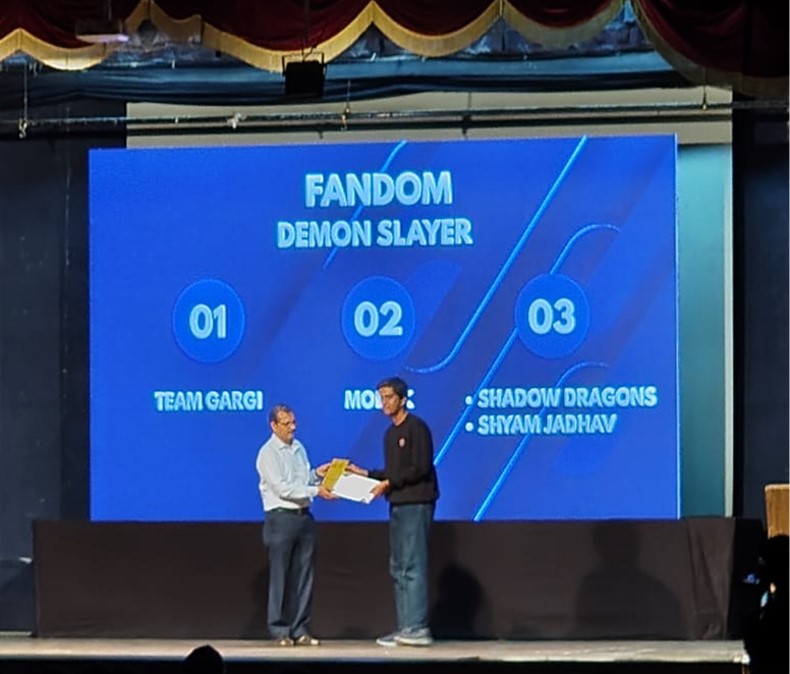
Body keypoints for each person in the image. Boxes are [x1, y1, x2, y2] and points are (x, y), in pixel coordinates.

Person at [349, 376, 439, 647]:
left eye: (389, 397)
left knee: (412, 565)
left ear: (403, 399)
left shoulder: (416, 428)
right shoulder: (390, 434)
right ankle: (405, 627)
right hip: (397, 503)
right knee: (398, 566)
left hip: (416, 503)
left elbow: (420, 468)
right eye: (381, 398)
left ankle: (418, 628)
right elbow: (393, 472)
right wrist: (365, 475)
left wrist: (388, 483)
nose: (384, 402)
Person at [256, 403, 336, 647]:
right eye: (286, 423)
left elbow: (301, 480)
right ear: (273, 425)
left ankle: (300, 628)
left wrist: (316, 475)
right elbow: (283, 488)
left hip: (304, 518)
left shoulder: (299, 447)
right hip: (281, 518)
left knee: (304, 576)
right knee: (281, 576)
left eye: (293, 422)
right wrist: (316, 491)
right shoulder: (267, 454)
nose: (292, 427)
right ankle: (279, 629)